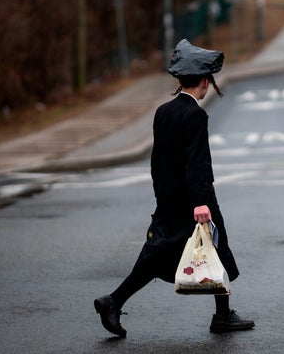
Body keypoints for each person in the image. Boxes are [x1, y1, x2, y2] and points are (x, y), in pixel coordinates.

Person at [93, 39, 254, 338]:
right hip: (194, 202)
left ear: (179, 80)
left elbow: (159, 162)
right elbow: (197, 164)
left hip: (168, 199)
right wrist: (202, 203)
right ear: (204, 83)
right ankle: (221, 317)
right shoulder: (195, 115)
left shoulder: (162, 112)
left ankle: (113, 301)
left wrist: (163, 196)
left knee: (157, 256)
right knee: (213, 249)